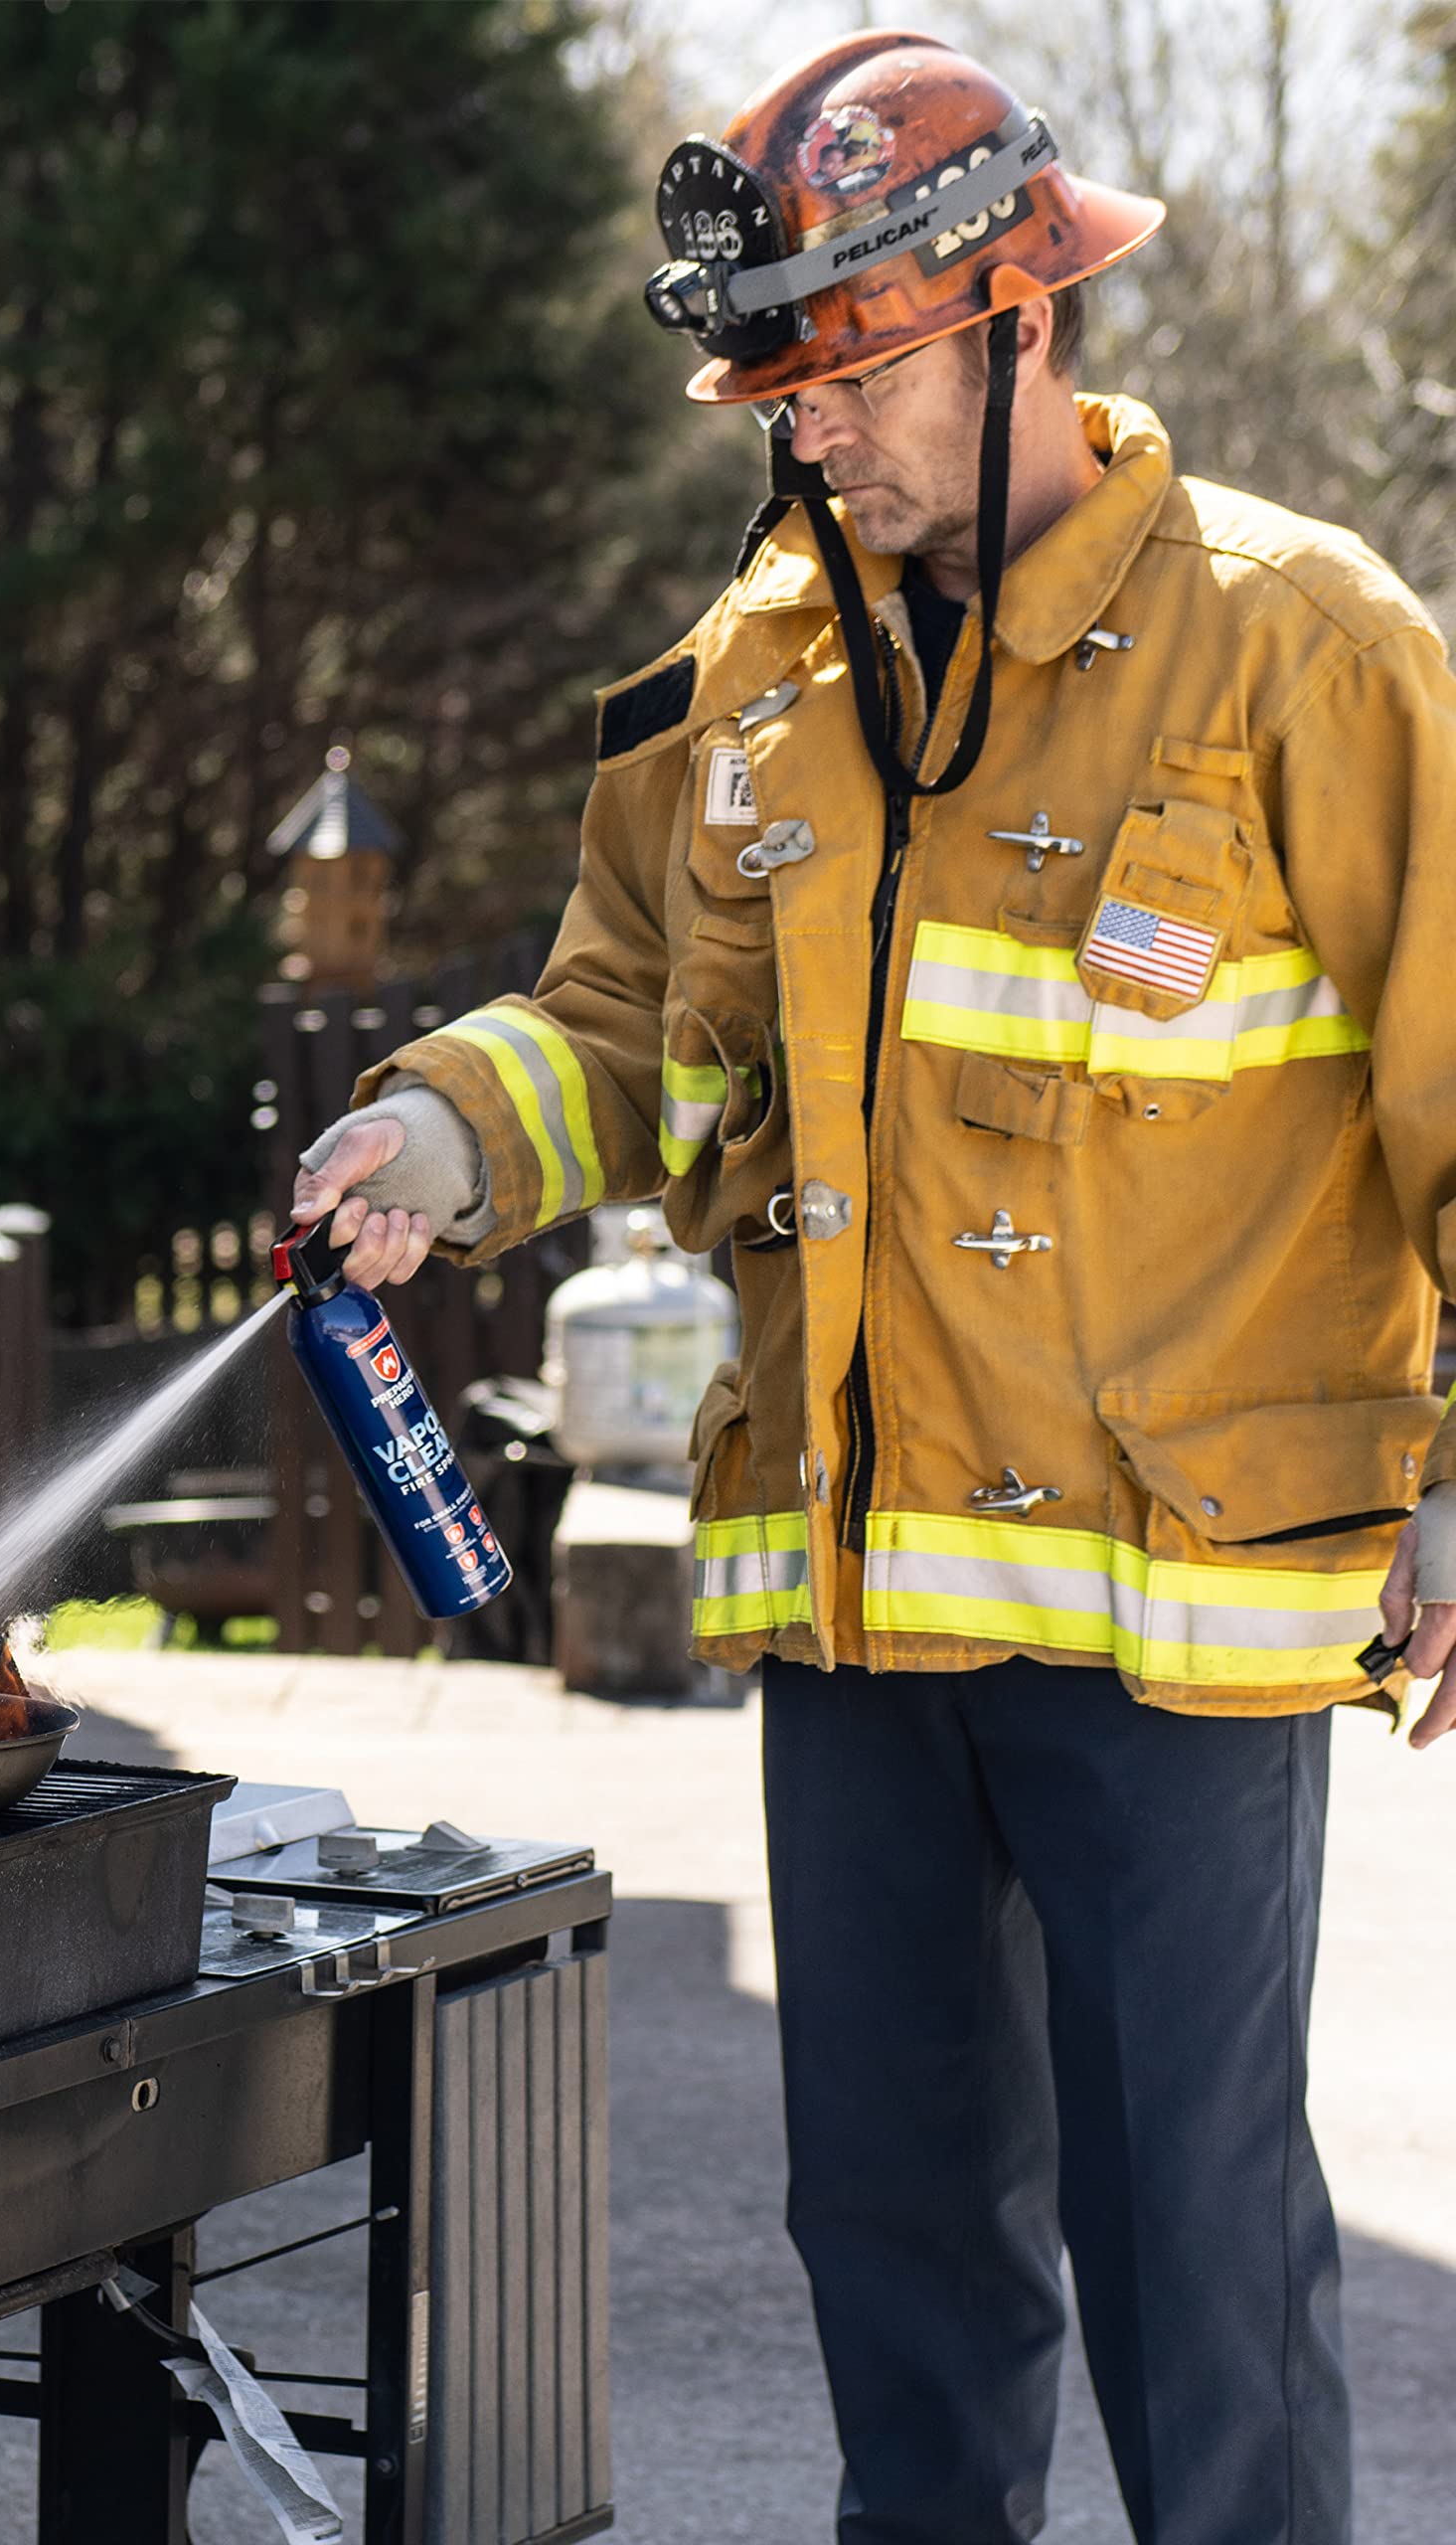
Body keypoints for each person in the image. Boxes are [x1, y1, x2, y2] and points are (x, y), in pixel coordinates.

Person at [291, 32, 1455, 2545]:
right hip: (853, 1612)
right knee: (897, 2262)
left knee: (1198, 2274)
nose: (806, 438)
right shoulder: (749, 682)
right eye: (777, 394)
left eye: (848, 379)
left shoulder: (1301, 647)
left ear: (1015, 314)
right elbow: (614, 1014)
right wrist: (438, 1126)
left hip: (1179, 1631)